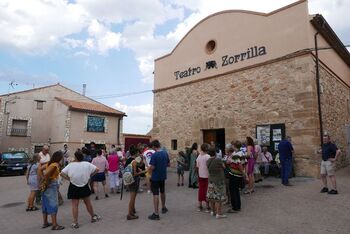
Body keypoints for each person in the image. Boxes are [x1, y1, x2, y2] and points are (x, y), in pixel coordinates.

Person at [61, 151, 101, 228]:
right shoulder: (87, 164)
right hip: (84, 185)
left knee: (75, 205)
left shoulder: (70, 165)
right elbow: (97, 169)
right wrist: (90, 176)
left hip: (73, 185)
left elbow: (62, 173)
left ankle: (75, 222)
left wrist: (69, 179)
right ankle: (93, 216)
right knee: (88, 203)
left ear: (75, 157)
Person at [39, 151, 64, 230]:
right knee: (53, 204)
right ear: (59, 158)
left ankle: (45, 222)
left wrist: (42, 180)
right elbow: (47, 174)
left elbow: (40, 169)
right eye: (62, 157)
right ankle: (54, 225)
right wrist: (46, 180)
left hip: (46, 186)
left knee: (45, 203)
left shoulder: (50, 163)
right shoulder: (55, 165)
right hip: (51, 185)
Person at [148, 140, 170, 221]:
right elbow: (168, 164)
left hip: (155, 177)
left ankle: (156, 213)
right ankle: (163, 207)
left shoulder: (154, 155)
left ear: (154, 146)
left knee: (155, 194)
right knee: (162, 191)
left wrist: (149, 172)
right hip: (163, 176)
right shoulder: (165, 153)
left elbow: (152, 167)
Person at [207, 147, 227, 219]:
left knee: (212, 197)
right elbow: (224, 167)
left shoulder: (208, 160)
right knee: (219, 197)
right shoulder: (218, 160)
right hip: (218, 180)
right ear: (215, 153)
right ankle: (218, 213)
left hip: (211, 180)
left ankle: (213, 211)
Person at [125, 148, 145, 220]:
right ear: (136, 153)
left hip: (129, 180)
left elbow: (140, 165)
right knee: (132, 198)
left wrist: (141, 160)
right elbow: (135, 173)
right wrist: (142, 172)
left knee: (133, 197)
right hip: (134, 180)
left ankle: (132, 210)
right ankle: (129, 214)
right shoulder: (134, 161)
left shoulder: (128, 159)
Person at [226, 141, 245, 213]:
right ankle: (238, 206)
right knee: (236, 190)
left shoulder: (236, 154)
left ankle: (235, 207)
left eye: (232, 145)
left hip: (234, 174)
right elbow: (244, 163)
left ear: (234, 146)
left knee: (233, 190)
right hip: (238, 174)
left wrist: (244, 174)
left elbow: (239, 165)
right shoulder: (241, 153)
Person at [196, 143, 210, 212]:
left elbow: (197, 166)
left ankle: (199, 205)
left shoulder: (199, 156)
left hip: (200, 174)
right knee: (207, 190)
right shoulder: (208, 156)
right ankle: (207, 206)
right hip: (207, 175)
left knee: (201, 190)